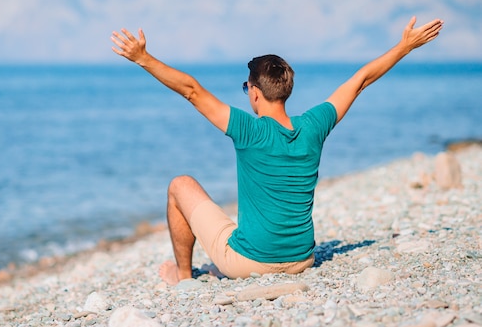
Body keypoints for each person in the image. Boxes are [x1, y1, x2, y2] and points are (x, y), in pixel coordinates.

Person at [110, 16, 443, 286]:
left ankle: (183, 276)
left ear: (254, 93)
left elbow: (193, 91)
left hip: (251, 263)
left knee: (180, 185)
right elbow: (360, 81)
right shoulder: (314, 125)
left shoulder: (249, 130)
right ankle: (220, 265)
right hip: (302, 259)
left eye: (246, 87)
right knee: (232, 223)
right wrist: (405, 46)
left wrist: (142, 58)